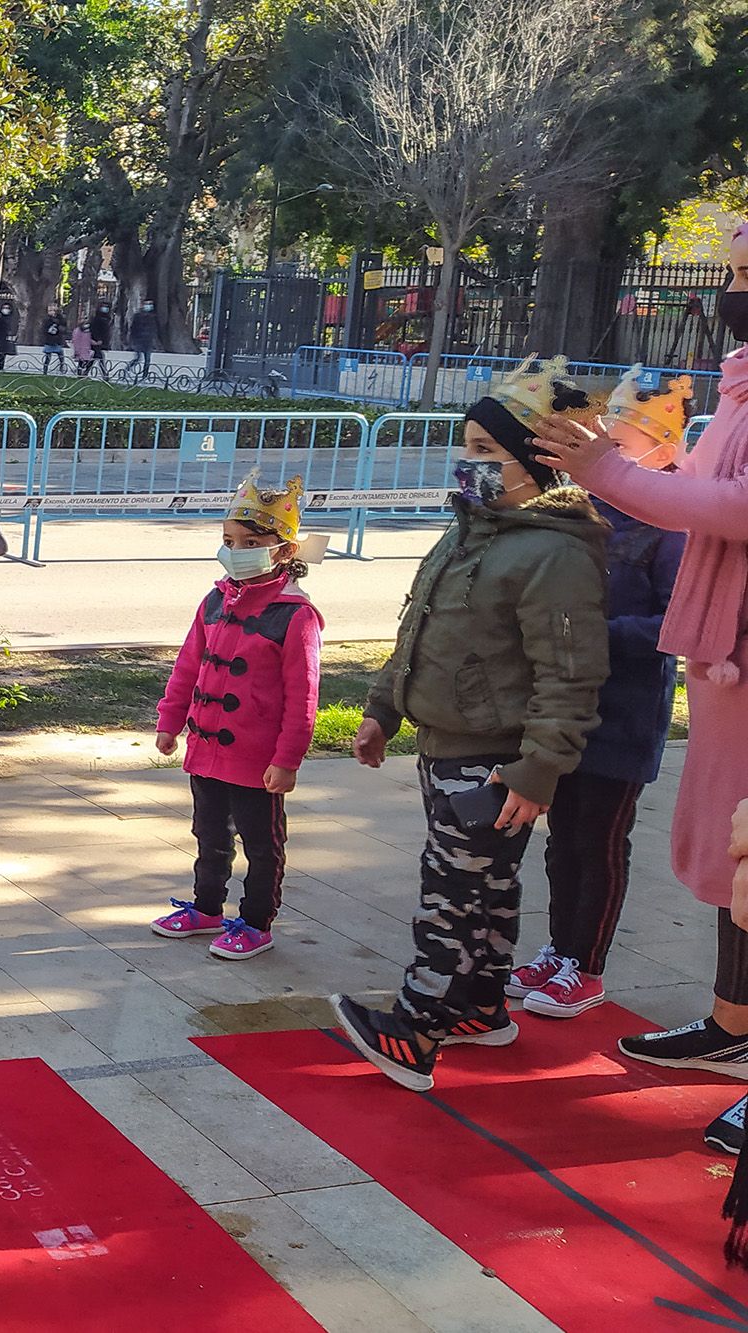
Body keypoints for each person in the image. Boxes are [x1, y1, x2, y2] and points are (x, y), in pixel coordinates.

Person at [336, 357, 609, 1092]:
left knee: (452, 892)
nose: (470, 461)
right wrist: (381, 708)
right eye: (468, 445)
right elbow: (420, 628)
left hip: (495, 759)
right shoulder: (470, 529)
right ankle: (481, 1005)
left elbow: (570, 671)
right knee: (485, 888)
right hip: (447, 744)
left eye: (488, 450)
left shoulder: (553, 552)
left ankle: (416, 1026)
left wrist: (541, 764)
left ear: (532, 460)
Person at [533, 223, 748, 1114]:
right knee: (735, 855)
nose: (734, 291)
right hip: (727, 658)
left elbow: (734, 506)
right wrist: (628, 459)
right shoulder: (739, 386)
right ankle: (733, 1024)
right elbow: (697, 480)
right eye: (735, 271)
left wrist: (615, 469)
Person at [507, 366, 689, 1020]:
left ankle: (587, 965)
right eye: (612, 428)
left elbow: (677, 622)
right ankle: (559, 947)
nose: (613, 441)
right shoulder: (585, 508)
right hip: (568, 710)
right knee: (563, 838)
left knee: (601, 841)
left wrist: (598, 635)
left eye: (632, 434)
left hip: (625, 714)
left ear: (666, 453)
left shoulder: (670, 527)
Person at [152, 473, 323, 961]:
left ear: (284, 551)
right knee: (208, 834)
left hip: (258, 760)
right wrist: (171, 720)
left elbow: (303, 696)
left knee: (262, 844)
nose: (237, 550)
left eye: (252, 543)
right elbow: (188, 666)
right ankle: (207, 908)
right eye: (230, 542)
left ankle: (255, 921)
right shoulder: (213, 602)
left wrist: (287, 759)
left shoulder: (296, 616)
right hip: (207, 751)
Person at [131, 299, 159, 379]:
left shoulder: (153, 316)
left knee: (147, 360)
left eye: (150, 304)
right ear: (143, 305)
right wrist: (133, 340)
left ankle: (145, 376)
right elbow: (133, 328)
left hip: (148, 341)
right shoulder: (138, 316)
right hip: (139, 340)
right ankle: (128, 369)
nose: (149, 306)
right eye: (147, 304)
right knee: (138, 358)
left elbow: (154, 329)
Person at [86, 302, 112, 378]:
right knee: (99, 357)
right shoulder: (96, 318)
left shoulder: (107, 318)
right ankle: (104, 374)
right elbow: (95, 330)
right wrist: (97, 339)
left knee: (96, 357)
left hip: (101, 341)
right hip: (96, 341)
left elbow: (106, 332)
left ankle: (85, 372)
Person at [41, 307, 69, 374]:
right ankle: (45, 370)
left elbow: (63, 328)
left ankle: (61, 367)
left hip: (56, 340)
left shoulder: (60, 319)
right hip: (50, 340)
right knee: (48, 357)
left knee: (60, 355)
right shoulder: (47, 320)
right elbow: (44, 330)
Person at [0, 302, 17, 371]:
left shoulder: (9, 318)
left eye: (8, 308)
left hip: (5, 338)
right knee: (1, 353)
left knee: (2, 353)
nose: (6, 310)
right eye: (5, 308)